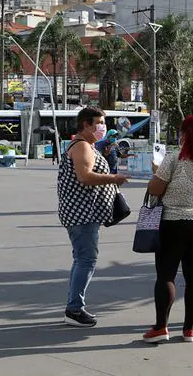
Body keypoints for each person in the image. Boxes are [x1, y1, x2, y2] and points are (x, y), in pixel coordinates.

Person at [143, 115, 193, 343]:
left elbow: (155, 189)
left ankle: (161, 327)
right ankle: (189, 329)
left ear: (186, 134)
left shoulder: (174, 159)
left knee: (166, 275)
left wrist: (156, 172)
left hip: (174, 222)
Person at [57, 106, 129, 327]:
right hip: (82, 215)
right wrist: (113, 178)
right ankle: (74, 309)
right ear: (86, 124)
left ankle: (74, 305)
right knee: (86, 260)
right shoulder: (81, 147)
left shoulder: (87, 146)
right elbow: (85, 177)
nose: (103, 128)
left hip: (84, 213)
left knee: (82, 259)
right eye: (99, 123)